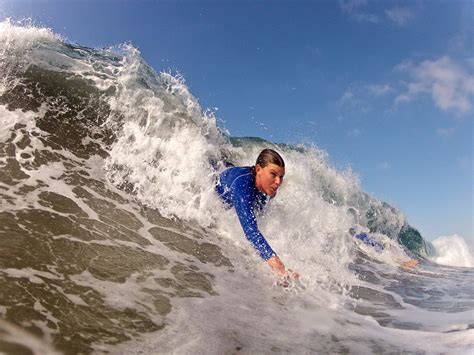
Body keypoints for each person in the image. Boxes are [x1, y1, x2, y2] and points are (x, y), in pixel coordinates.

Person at [215, 148, 299, 279]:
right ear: (258, 169)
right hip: (220, 180)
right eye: (273, 174)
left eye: (281, 177)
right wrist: (273, 260)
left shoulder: (269, 188)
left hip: (240, 175)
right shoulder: (241, 186)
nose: (278, 182)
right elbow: (250, 231)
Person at [348, 228, 418, 268]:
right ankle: (403, 263)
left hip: (366, 240)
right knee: (382, 251)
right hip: (366, 239)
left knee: (381, 251)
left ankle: (403, 263)